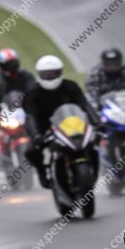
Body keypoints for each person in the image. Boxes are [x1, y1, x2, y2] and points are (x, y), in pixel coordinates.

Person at [24, 54, 101, 188]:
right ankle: (43, 173)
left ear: (60, 73)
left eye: (53, 74)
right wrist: (36, 135)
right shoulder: (33, 93)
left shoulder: (71, 86)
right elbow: (30, 117)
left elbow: (85, 105)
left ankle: (93, 172)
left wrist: (97, 122)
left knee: (93, 143)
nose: (50, 77)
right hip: (45, 129)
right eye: (46, 74)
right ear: (39, 75)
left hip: (72, 126)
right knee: (30, 151)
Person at [0, 49, 35, 157]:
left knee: (38, 122)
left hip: (23, 109)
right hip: (0, 111)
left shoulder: (26, 76)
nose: (12, 66)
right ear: (1, 65)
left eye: (13, 63)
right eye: (9, 64)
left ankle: (38, 146)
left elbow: (34, 91)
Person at [85, 48, 125, 116]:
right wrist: (96, 108)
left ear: (120, 62)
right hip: (106, 107)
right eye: (109, 64)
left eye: (115, 63)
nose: (112, 66)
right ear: (104, 63)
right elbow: (90, 94)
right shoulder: (95, 73)